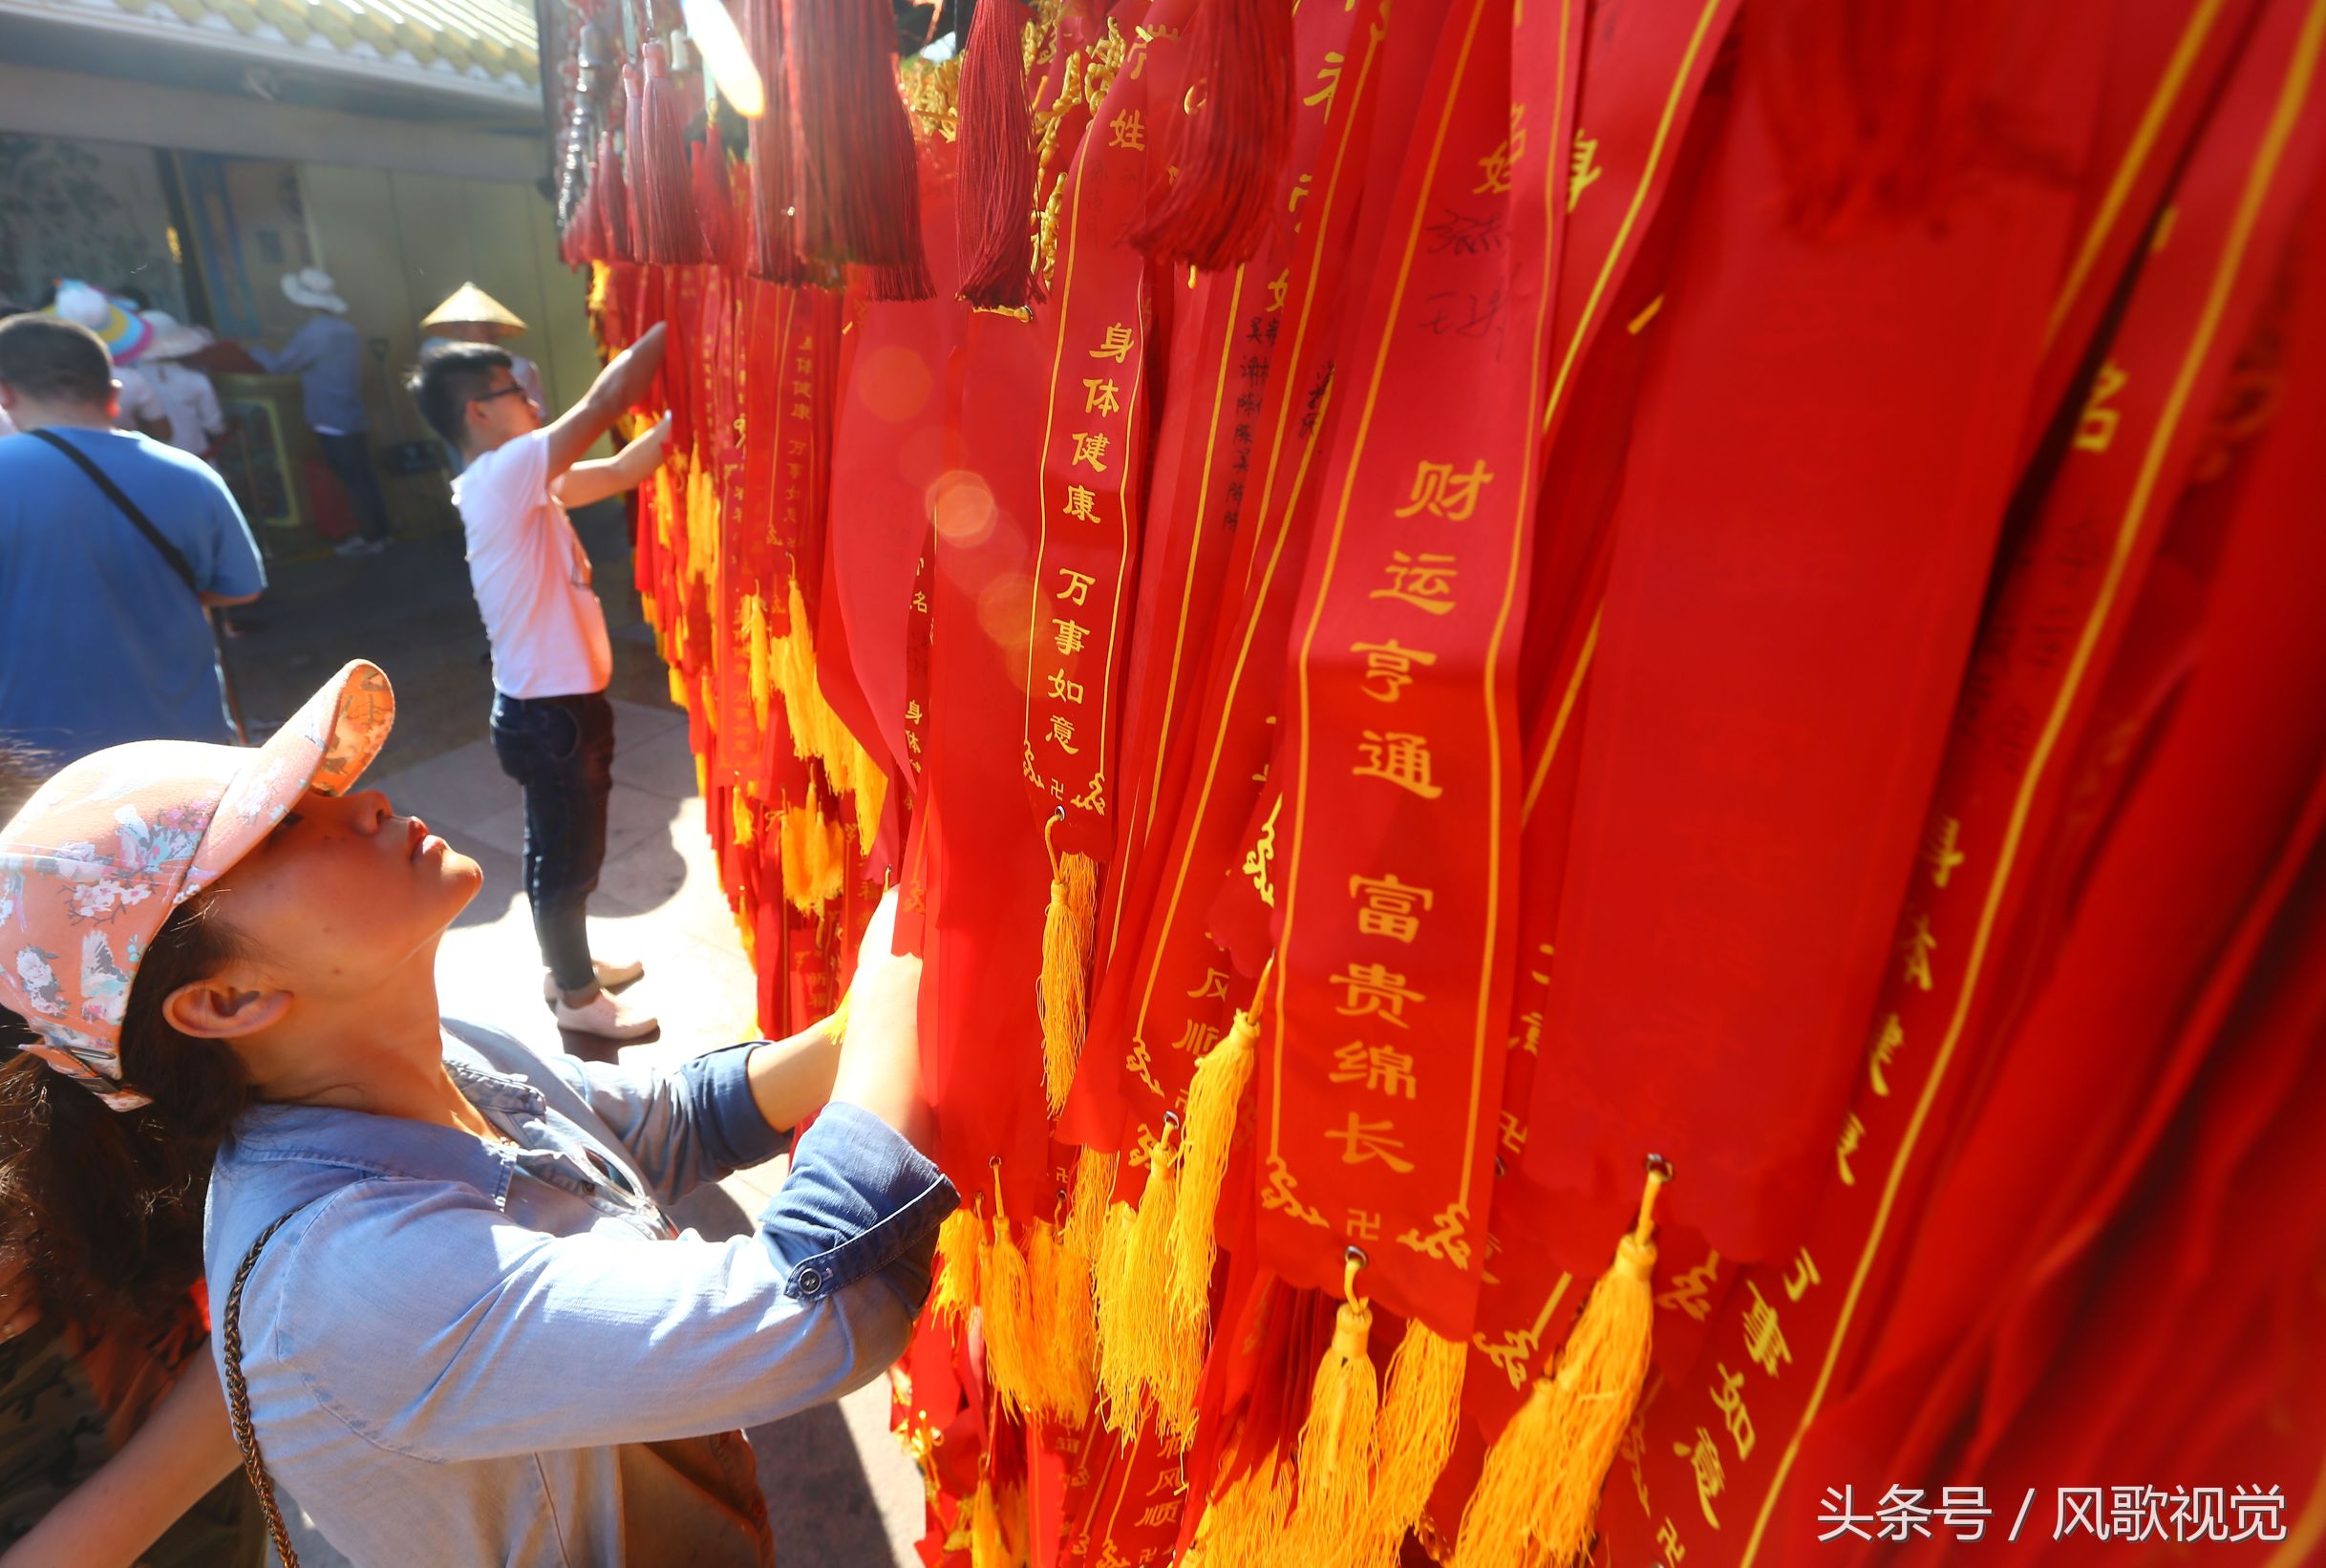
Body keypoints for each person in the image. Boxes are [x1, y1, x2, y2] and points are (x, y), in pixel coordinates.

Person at [0, 661, 950, 1567]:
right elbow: (820, 1312)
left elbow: (662, 1127)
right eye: (285, 828)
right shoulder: (350, 1276)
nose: (367, 801)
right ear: (226, 1002)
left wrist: (856, 1032)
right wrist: (912, 963)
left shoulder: (444, 1044)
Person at [407, 327, 672, 1042]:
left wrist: (696, 415)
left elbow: (620, 469)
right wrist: (677, 324)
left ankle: (568, 966)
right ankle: (579, 998)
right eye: (515, 389)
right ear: (477, 412)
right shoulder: (501, 476)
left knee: (557, 847)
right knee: (566, 855)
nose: (531, 399)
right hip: (552, 715)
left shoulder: (517, 481)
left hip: (550, 708)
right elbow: (605, 401)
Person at [0, 315, 265, 763]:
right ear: (113, 395)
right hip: (183, 751)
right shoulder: (191, 475)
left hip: (38, 771)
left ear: (4, 393)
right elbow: (241, 589)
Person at [250, 268, 390, 558]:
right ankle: (379, 533)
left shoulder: (313, 332)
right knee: (364, 477)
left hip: (329, 416)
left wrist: (256, 350)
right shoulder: (345, 329)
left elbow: (280, 366)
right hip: (351, 412)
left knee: (350, 480)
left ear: (304, 303)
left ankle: (370, 537)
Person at [112, 315, 224, 456]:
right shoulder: (195, 380)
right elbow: (214, 426)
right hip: (198, 457)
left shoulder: (132, 379)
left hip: (153, 461)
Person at [419, 283, 544, 410]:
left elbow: (538, 415)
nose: (460, 331)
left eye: (467, 323)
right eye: (457, 324)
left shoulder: (520, 366)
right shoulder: (449, 370)